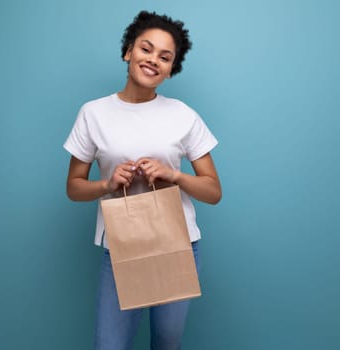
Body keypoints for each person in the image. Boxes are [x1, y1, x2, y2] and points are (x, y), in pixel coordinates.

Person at [63, 10, 222, 350]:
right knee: (110, 345)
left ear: (170, 69)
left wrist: (174, 175)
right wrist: (107, 185)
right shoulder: (93, 113)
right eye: (146, 49)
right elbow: (74, 187)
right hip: (120, 247)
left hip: (178, 244)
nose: (153, 60)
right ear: (128, 51)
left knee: (166, 343)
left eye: (165, 57)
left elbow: (213, 191)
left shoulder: (183, 114)